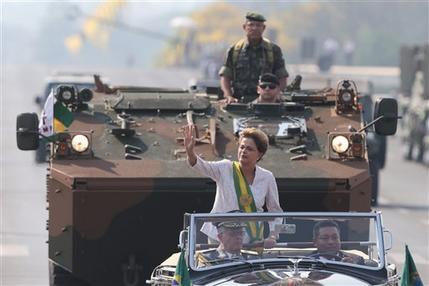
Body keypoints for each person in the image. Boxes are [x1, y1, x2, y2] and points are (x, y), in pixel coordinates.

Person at [183, 125, 283, 246]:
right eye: (241, 147)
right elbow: (200, 165)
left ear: (259, 154)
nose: (243, 151)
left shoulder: (267, 177)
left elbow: (275, 211)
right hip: (220, 238)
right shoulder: (225, 168)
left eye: (249, 149)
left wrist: (273, 235)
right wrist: (190, 152)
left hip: (251, 240)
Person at [219, 12, 289, 104]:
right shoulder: (234, 50)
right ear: (244, 27)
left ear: (263, 28)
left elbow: (282, 76)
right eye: (251, 25)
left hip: (266, 102)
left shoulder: (273, 50)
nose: (254, 28)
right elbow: (226, 76)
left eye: (258, 25)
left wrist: (278, 93)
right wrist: (228, 95)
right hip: (239, 102)